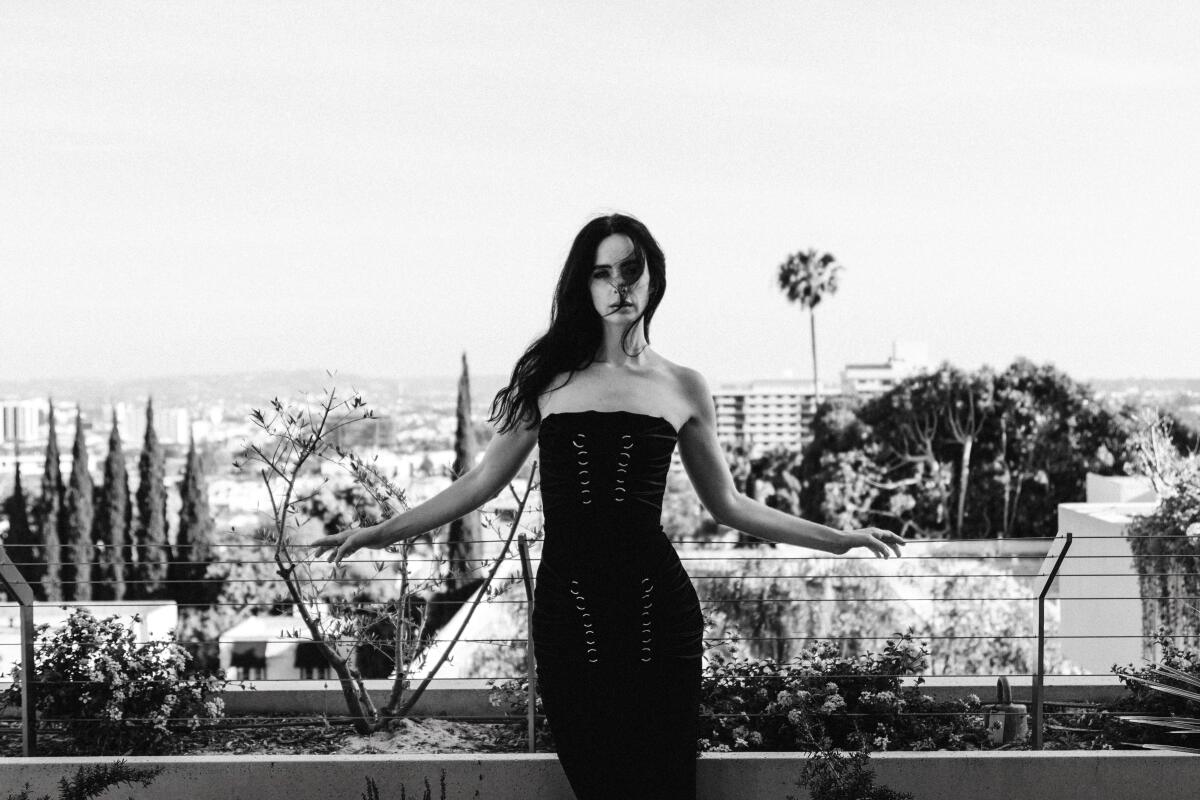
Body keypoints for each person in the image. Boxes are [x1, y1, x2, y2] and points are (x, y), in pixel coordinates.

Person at [308, 212, 906, 799]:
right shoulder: (547, 378)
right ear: (583, 285)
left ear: (653, 280)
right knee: (600, 781)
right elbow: (479, 484)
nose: (618, 285)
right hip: (572, 618)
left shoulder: (684, 385)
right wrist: (383, 531)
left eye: (630, 270)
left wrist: (841, 536)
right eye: (601, 273)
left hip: (659, 615)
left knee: (665, 786)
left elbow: (728, 505)